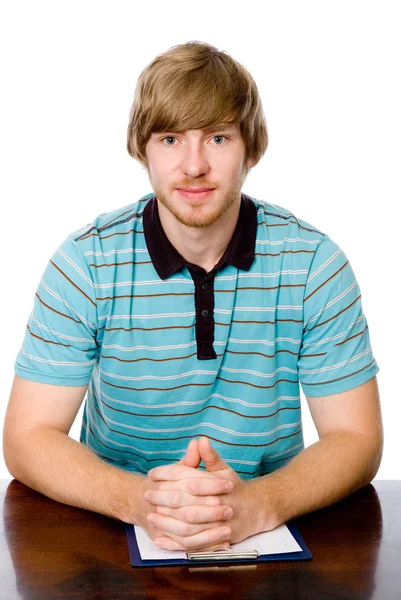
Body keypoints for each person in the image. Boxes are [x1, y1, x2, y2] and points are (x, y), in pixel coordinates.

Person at [3, 41, 383, 553]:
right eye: (170, 139)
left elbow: (357, 439)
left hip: (267, 530)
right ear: (143, 149)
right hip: (111, 532)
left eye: (219, 138)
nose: (194, 165)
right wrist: (144, 502)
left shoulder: (314, 264)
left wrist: (259, 503)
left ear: (252, 148)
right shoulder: (85, 264)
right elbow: (28, 437)